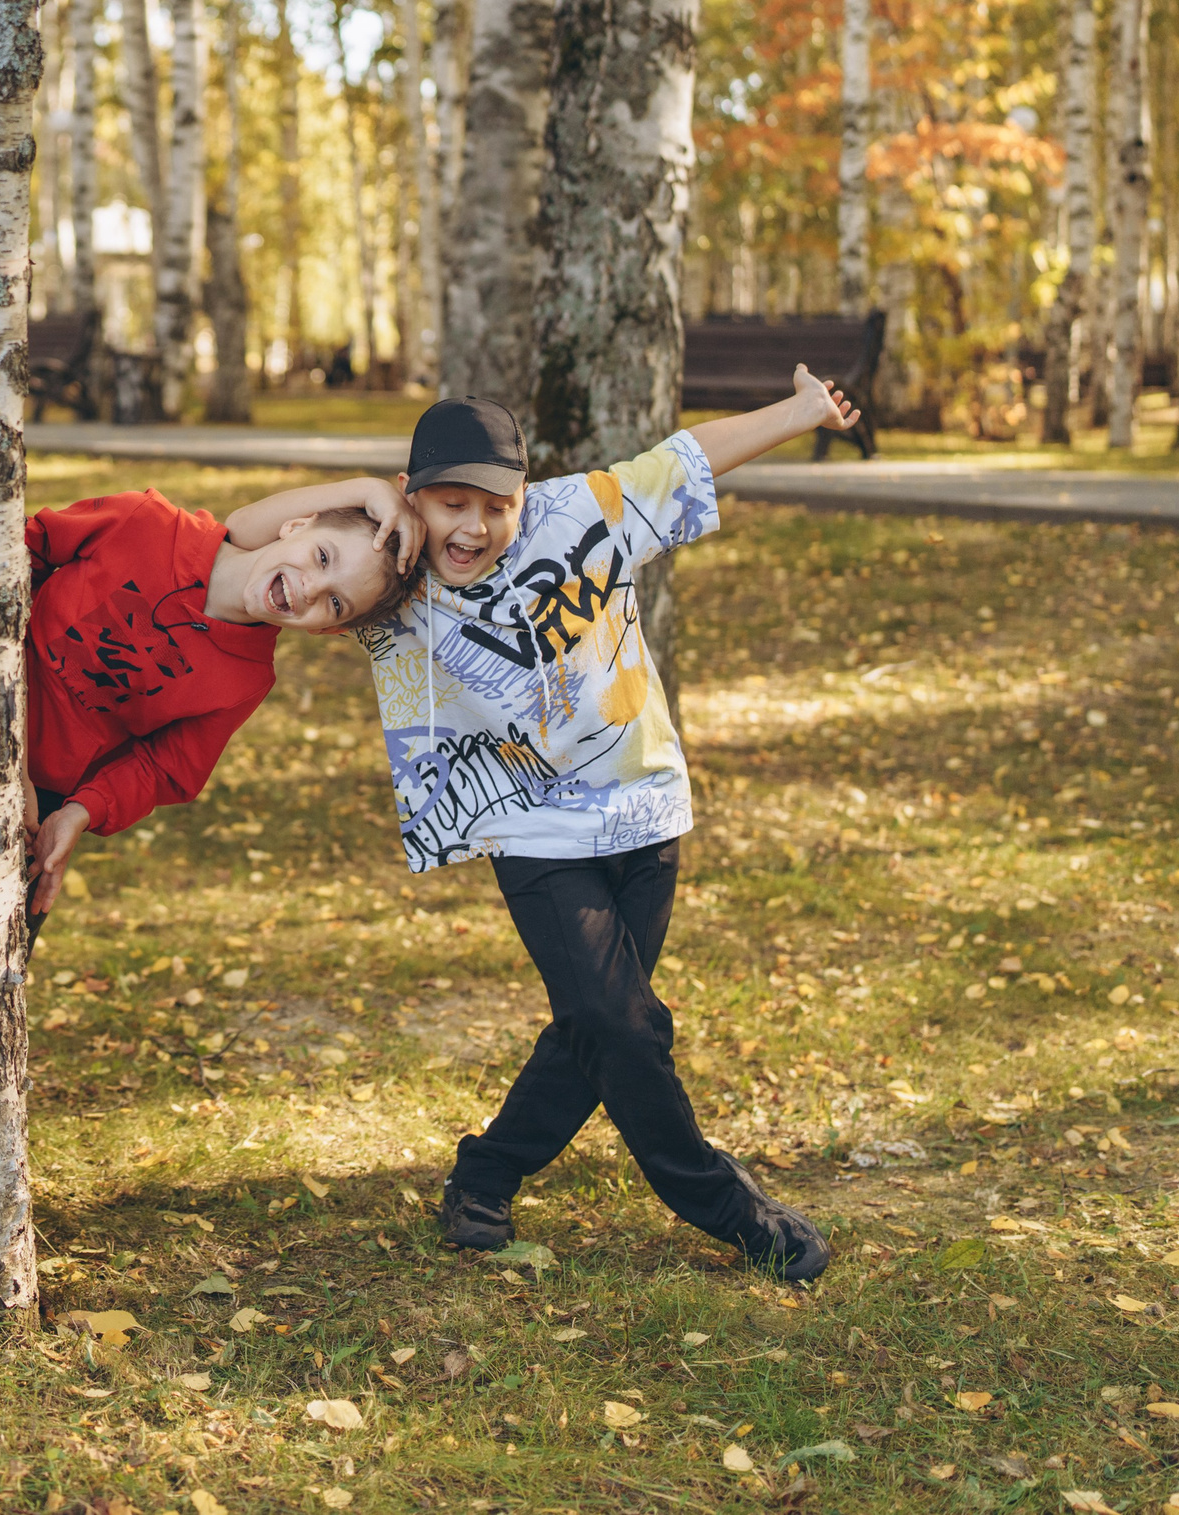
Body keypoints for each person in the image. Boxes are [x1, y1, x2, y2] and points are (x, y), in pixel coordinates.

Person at [355, 375, 862, 1283]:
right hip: (529, 825)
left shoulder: (582, 512)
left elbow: (694, 457)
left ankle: (486, 1171)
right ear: (411, 494)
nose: (470, 528)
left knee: (594, 1026)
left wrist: (809, 412)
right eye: (448, 504)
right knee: (621, 1026)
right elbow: (265, 551)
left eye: (494, 506)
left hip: (645, 804)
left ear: (525, 497)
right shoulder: (387, 570)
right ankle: (724, 1204)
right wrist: (368, 502)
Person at [22, 475, 425, 923]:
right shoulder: (142, 521)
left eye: (335, 604)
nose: (312, 588)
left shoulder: (246, 678)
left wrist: (79, 812)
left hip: (36, 804)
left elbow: (167, 767)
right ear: (295, 526)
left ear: (327, 630)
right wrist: (370, 489)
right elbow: (23, 547)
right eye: (322, 556)